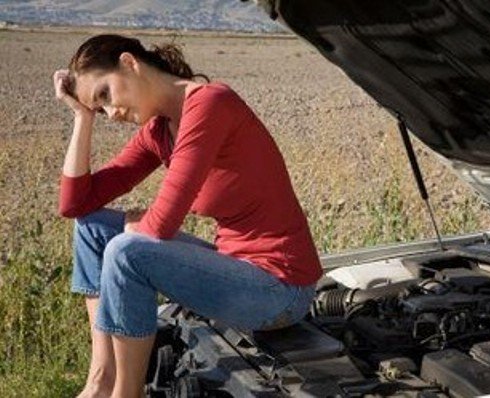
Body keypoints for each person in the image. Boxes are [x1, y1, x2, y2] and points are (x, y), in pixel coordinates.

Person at [52, 34, 322, 398]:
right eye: (99, 109)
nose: (111, 113)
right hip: (234, 268)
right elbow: (75, 204)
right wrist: (82, 117)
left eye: (105, 95)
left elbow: (162, 224)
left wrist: (140, 224)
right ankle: (100, 380)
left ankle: (126, 393)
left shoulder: (209, 103)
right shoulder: (160, 130)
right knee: (93, 227)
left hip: (280, 290)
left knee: (126, 250)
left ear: (130, 63)